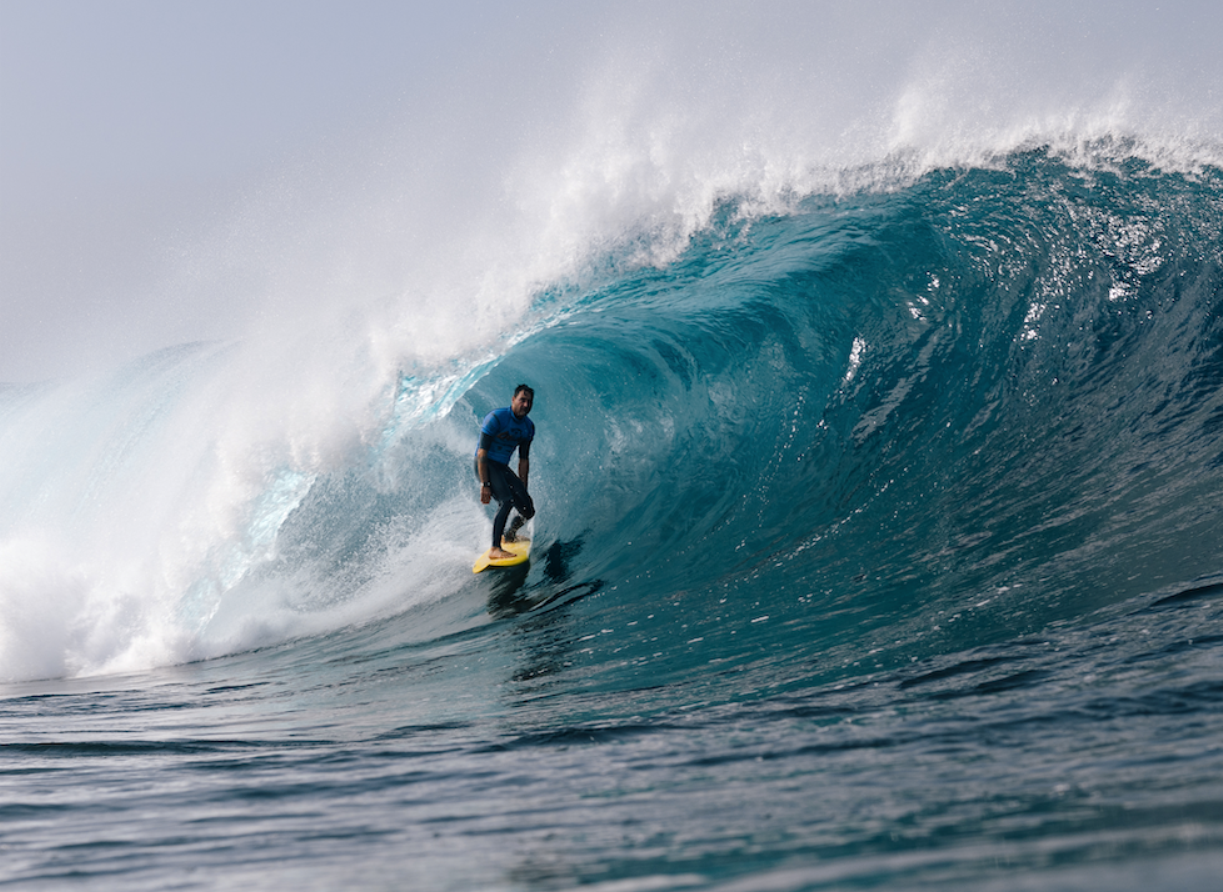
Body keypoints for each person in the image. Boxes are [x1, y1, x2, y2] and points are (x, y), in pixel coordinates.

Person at [475, 384, 536, 559]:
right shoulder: (496, 418)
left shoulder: (528, 427)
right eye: (522, 400)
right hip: (486, 464)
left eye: (529, 402)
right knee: (506, 501)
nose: (525, 405)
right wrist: (485, 483)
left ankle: (510, 535)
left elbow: (523, 459)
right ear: (513, 399)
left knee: (528, 509)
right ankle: (495, 548)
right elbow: (482, 452)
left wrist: (523, 486)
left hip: (501, 468)